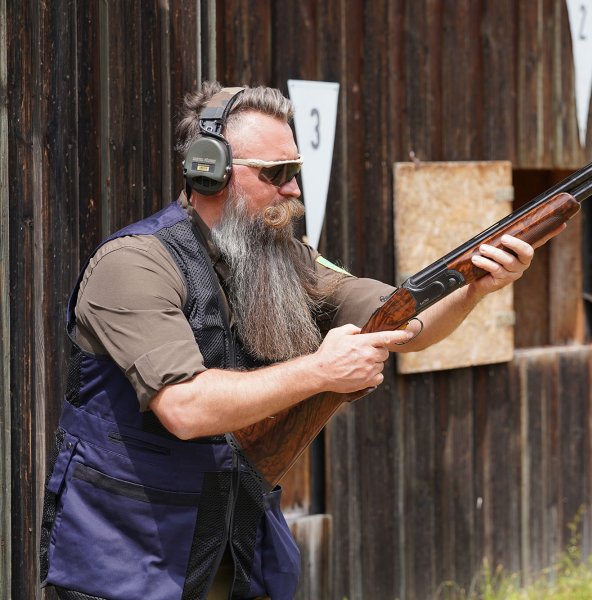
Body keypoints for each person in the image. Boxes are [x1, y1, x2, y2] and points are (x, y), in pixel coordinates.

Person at [39, 83, 557, 600]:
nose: (293, 192)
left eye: (296, 173)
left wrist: (473, 288)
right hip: (128, 557)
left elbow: (405, 324)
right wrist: (321, 371)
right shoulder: (135, 264)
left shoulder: (283, 259)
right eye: (276, 174)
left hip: (228, 542)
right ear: (209, 169)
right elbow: (185, 407)